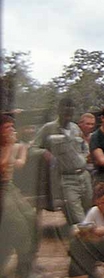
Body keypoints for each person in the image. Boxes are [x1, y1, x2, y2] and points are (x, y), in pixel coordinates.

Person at [35, 97, 93, 224]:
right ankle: (85, 239)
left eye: (71, 113)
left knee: (89, 208)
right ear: (59, 111)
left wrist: (84, 156)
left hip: (84, 176)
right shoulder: (48, 128)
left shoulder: (75, 128)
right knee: (78, 216)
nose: (68, 116)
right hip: (66, 179)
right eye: (65, 112)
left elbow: (84, 145)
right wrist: (44, 152)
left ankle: (81, 239)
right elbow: (32, 148)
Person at [0, 114, 37, 278]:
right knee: (18, 224)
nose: (12, 131)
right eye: (8, 127)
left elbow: (19, 165)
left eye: (13, 127)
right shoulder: (7, 145)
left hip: (9, 186)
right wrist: (9, 145)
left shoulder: (11, 145)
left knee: (32, 218)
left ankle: (26, 266)